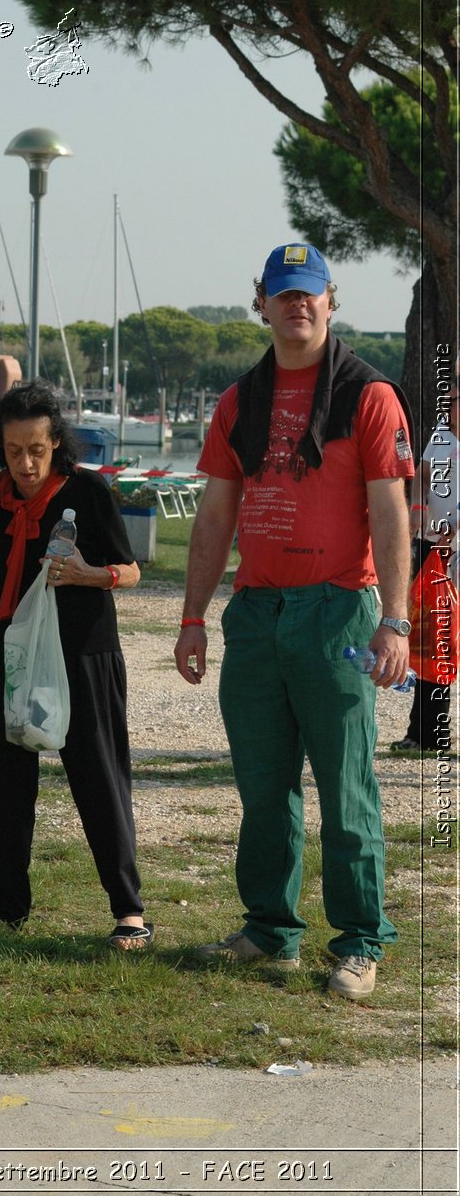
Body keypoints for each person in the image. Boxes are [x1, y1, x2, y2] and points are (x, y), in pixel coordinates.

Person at [173, 243, 414, 999]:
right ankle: (269, 930)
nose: (297, 305)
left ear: (330, 301)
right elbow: (214, 515)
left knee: (346, 789)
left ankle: (360, 942)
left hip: (337, 609)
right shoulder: (240, 399)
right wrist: (192, 618)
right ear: (263, 304)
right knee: (263, 784)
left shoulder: (367, 395)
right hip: (256, 612)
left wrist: (397, 622)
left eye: (310, 293)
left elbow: (389, 512)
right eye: (284, 294)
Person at [0, 379, 153, 949]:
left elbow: (131, 571)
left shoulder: (88, 493)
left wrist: (93, 575)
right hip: (14, 652)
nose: (27, 463)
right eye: (14, 452)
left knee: (99, 777)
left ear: (56, 442)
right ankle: (2, 907)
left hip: (83, 652)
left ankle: (130, 912)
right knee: (1, 780)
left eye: (37, 450)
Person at [391, 368, 459, 753]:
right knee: (432, 642)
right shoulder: (441, 435)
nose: (447, 409)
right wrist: (416, 506)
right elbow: (421, 473)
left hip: (455, 548)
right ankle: (425, 733)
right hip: (433, 548)